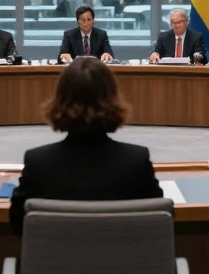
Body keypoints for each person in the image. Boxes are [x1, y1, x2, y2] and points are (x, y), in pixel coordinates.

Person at [9, 57, 161, 234]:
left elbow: (17, 224)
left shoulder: (38, 163)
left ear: (61, 100)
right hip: (122, 261)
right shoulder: (136, 161)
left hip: (57, 262)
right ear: (112, 99)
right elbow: (159, 221)